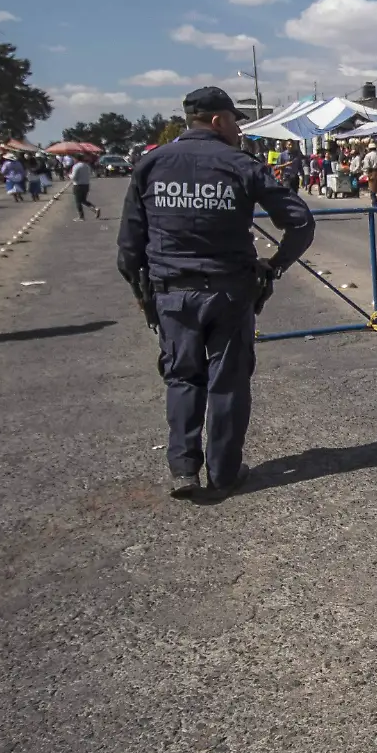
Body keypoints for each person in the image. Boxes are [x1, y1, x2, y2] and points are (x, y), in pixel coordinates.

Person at [117, 86, 313, 499]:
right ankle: (224, 472)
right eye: (236, 122)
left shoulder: (150, 163)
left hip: (171, 292)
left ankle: (184, 470)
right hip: (229, 292)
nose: (239, 131)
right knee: (228, 382)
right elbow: (300, 222)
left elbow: (127, 250)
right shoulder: (240, 164)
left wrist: (145, 294)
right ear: (220, 120)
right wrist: (274, 267)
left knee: (183, 377)